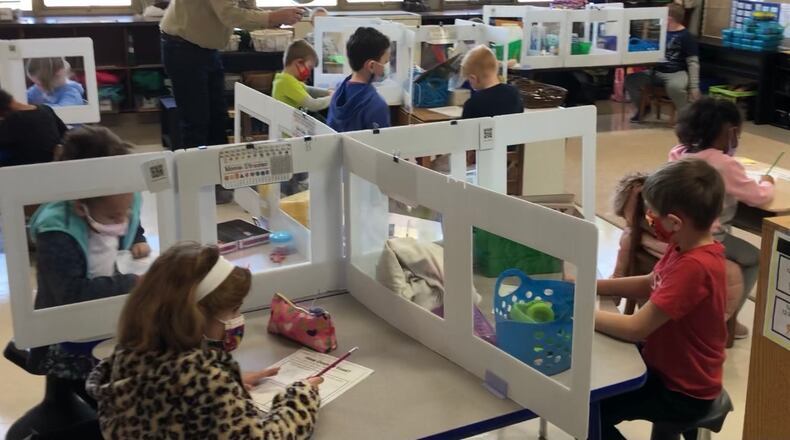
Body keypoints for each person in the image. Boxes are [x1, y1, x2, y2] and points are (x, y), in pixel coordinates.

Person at [87, 242, 322, 438]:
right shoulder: (205, 383)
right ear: (196, 316)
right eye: (234, 310)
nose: (237, 318)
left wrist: (228, 381)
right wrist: (301, 398)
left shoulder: (127, 356)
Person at [596, 158, 728, 440]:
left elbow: (635, 328)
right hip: (668, 368)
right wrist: (593, 286)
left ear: (675, 222)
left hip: (682, 391)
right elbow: (650, 283)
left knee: (588, 412)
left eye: (652, 214)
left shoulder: (694, 266)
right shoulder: (682, 244)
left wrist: (578, 314)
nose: (648, 219)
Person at [28, 126, 151, 403]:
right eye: (114, 216)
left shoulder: (120, 198)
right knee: (76, 398)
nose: (123, 221)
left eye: (127, 210)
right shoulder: (57, 232)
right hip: (64, 336)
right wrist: (133, 283)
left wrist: (137, 237)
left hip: (104, 317)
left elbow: (130, 219)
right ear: (79, 205)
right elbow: (72, 294)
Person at [669, 97, 773, 338]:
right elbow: (758, 197)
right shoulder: (723, 164)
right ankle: (727, 321)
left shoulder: (678, 153)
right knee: (756, 258)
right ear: (731, 132)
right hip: (707, 237)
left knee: (730, 227)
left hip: (676, 231)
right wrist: (767, 183)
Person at [160, 2, 304, 149]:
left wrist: (275, 19)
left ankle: (217, 162)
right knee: (196, 122)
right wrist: (273, 17)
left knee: (218, 119)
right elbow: (229, 14)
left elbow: (246, 7)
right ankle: (195, 163)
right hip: (183, 46)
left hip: (206, 48)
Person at [625, 3, 700, 122]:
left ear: (669, 18)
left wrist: (694, 86)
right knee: (631, 80)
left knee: (675, 87)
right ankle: (644, 107)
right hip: (656, 71)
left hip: (676, 73)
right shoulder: (660, 33)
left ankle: (686, 117)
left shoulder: (686, 36)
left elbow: (693, 63)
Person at [327, 27, 391, 132]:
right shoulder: (376, 105)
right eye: (385, 62)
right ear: (371, 66)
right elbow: (382, 141)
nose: (386, 68)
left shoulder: (338, 92)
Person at [0, 87, 67, 167]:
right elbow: (65, 133)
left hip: (25, 169)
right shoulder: (46, 109)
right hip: (54, 165)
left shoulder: (12, 120)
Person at [460, 45, 523, 119]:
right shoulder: (514, 92)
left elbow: (466, 126)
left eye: (468, 80)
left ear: (473, 78)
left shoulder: (473, 104)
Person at [273, 40, 332, 112]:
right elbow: (313, 105)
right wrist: (333, 97)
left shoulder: (284, 79)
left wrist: (327, 92)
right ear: (299, 62)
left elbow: (308, 90)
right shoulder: (286, 82)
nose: (309, 73)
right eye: (309, 67)